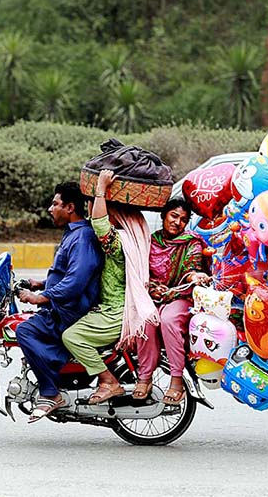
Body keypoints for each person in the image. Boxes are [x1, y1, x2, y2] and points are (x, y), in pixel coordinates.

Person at [62, 170, 158, 405]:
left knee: (71, 337)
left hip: (115, 313)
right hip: (113, 308)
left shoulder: (119, 244)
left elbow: (99, 224)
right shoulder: (134, 239)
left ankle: (108, 381)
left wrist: (101, 189)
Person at [15, 182, 103, 423]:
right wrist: (41, 283)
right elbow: (65, 274)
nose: (50, 209)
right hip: (62, 306)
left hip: (70, 311)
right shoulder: (74, 234)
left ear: (70, 207)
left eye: (55, 204)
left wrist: (41, 297)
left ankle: (51, 392)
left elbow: (76, 281)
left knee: (23, 330)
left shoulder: (82, 237)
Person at [132, 198, 209, 405]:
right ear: (163, 216)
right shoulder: (150, 242)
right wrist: (153, 289)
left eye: (183, 220)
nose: (177, 222)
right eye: (174, 216)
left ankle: (177, 380)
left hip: (181, 296)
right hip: (154, 296)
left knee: (168, 319)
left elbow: (191, 270)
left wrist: (195, 277)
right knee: (146, 320)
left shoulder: (191, 242)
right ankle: (145, 377)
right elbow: (142, 272)